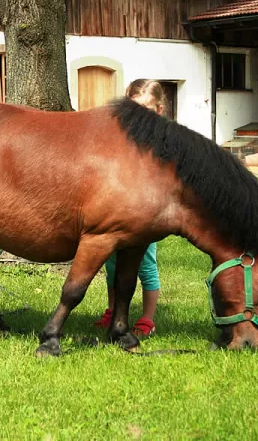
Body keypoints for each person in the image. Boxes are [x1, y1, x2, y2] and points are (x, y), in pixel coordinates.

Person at [94, 79, 167, 336]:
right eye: (134, 108)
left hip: (145, 215)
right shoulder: (122, 133)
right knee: (112, 265)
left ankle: (147, 318)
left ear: (158, 109)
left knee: (145, 267)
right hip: (118, 210)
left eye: (146, 108)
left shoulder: (162, 138)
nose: (140, 115)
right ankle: (112, 309)